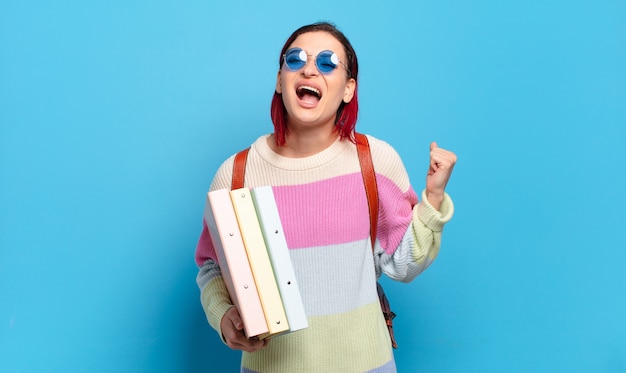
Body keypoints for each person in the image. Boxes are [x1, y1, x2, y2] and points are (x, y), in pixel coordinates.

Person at [195, 21, 456, 373]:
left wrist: (434, 198)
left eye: (328, 62)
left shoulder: (375, 162)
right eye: (295, 59)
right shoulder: (236, 173)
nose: (309, 69)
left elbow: (403, 264)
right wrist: (224, 317)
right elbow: (212, 266)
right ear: (279, 80)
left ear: (349, 89)